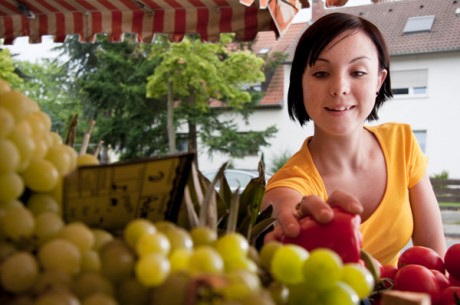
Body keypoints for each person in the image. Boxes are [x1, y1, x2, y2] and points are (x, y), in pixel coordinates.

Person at [261, 12, 446, 266]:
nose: (340, 87)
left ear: (379, 80)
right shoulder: (290, 181)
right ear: (300, 83)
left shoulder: (402, 142)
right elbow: (286, 206)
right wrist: (291, 220)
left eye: (358, 72)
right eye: (321, 73)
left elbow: (435, 261)